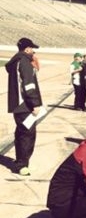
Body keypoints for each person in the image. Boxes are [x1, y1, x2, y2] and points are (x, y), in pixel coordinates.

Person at [5, 36, 44, 176]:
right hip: (25, 105)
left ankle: (22, 162)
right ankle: (22, 165)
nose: (33, 52)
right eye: (32, 49)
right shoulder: (24, 62)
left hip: (18, 105)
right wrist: (34, 104)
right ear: (27, 49)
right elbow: (28, 85)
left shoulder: (16, 61)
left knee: (21, 133)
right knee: (27, 135)